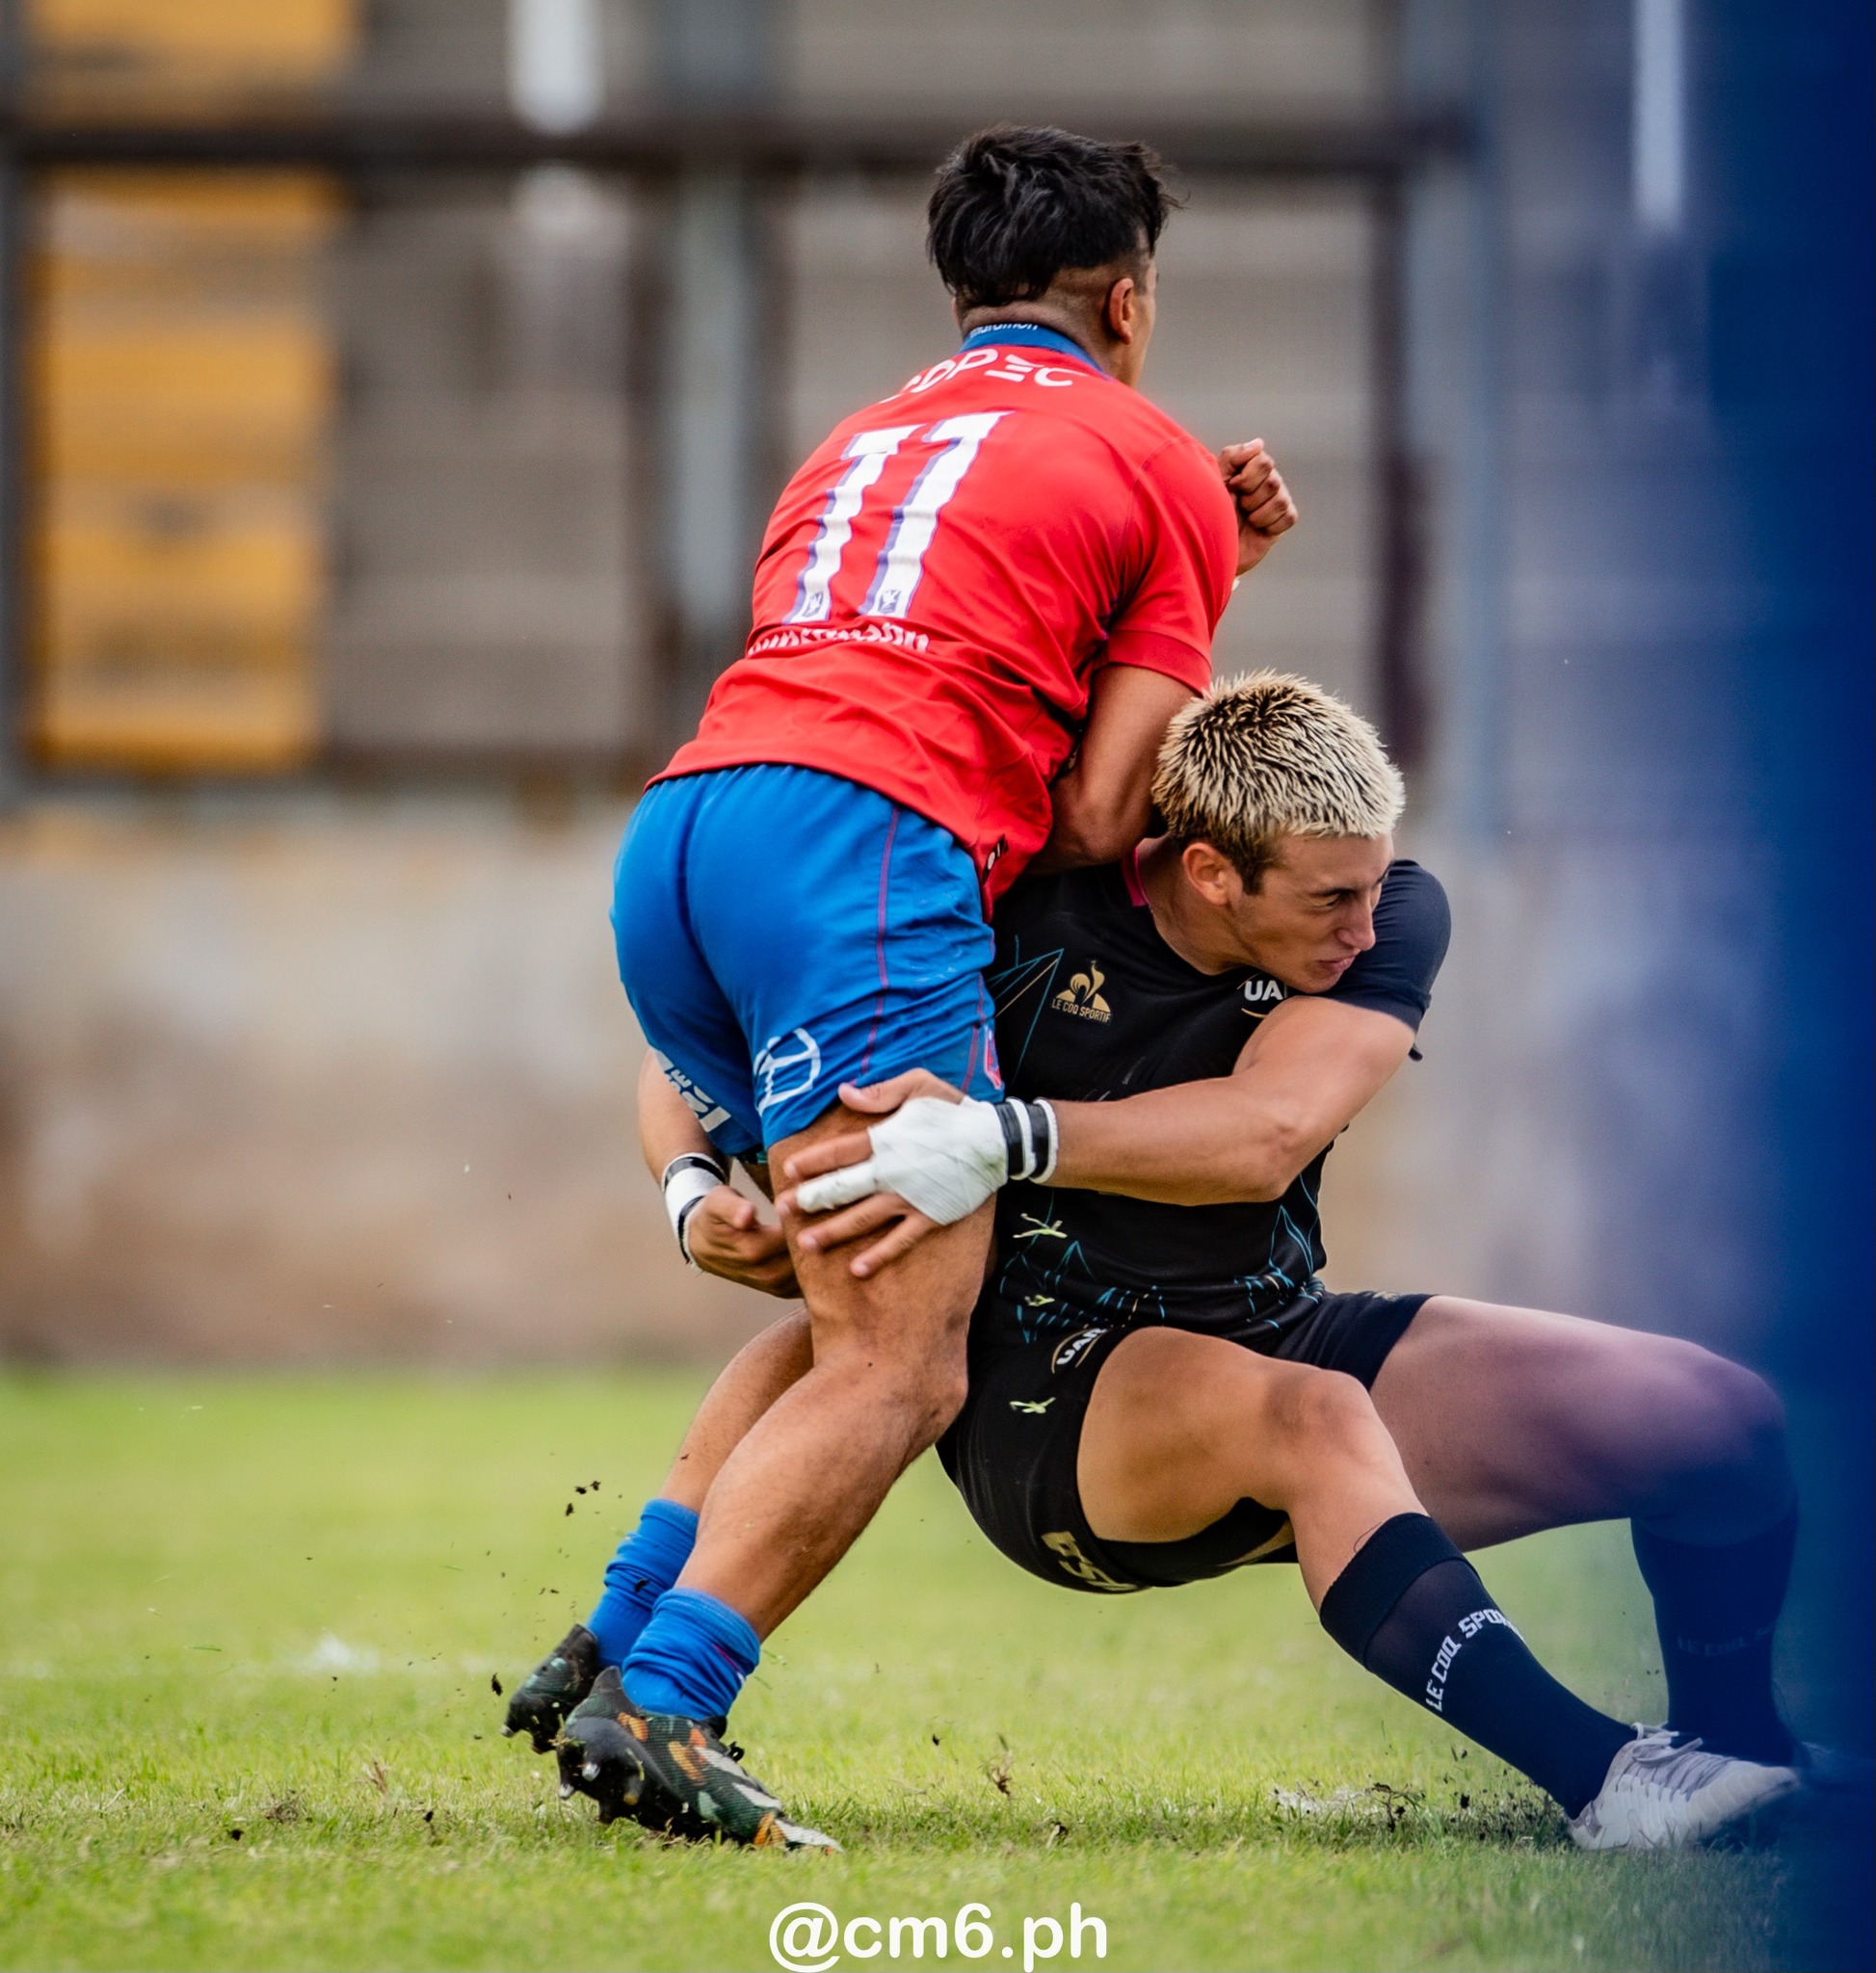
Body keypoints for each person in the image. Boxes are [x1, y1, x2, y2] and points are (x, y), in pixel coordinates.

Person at [518, 673, 1811, 1854]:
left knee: (1720, 1422)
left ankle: (1736, 1753)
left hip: (1272, 1327)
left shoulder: (1389, 909)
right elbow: (691, 1037)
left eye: (1372, 887)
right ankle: (1609, 1784)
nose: (1370, 926)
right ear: (1208, 871)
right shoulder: (1004, 910)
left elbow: (1266, 1136)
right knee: (1316, 1421)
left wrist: (1001, 1136)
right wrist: (691, 1191)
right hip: (1046, 1389)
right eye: (1329, 900)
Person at [561, 125, 1299, 1847]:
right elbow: (1103, 811)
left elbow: (930, 648)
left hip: (686, 833)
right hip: (860, 857)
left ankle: (612, 1629)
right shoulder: (1159, 457)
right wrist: (1207, 569)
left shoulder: (856, 438)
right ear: (1127, 298)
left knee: (847, 1300)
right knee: (908, 1358)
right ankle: (661, 1711)